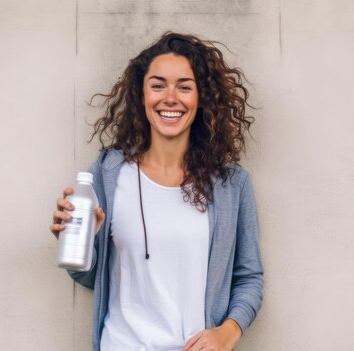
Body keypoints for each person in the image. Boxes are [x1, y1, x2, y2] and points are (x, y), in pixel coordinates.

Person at [51, 32, 264, 351]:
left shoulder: (230, 184)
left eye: (184, 86)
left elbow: (249, 277)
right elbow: (91, 277)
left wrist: (227, 332)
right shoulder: (108, 174)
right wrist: (77, 244)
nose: (170, 97)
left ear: (201, 97)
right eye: (158, 84)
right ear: (142, 95)